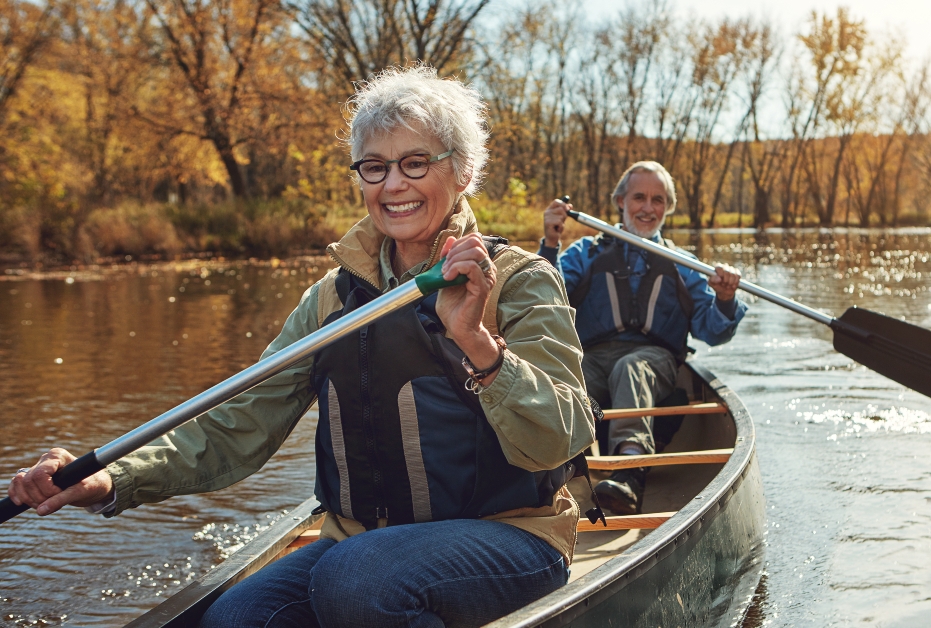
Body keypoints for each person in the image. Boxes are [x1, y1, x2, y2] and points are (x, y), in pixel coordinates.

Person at [7, 66, 595, 627]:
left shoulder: (519, 279)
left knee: (359, 583)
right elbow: (237, 421)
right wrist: (112, 478)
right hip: (359, 546)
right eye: (374, 166)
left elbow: (563, 435)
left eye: (416, 163)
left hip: (511, 535)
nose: (393, 185)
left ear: (463, 172)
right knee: (238, 618)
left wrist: (476, 342)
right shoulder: (330, 299)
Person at [538, 161, 746, 515]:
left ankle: (629, 472)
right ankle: (555, 473)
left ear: (668, 208)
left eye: (658, 200)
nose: (648, 208)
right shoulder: (585, 253)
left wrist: (726, 298)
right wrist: (551, 244)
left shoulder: (683, 264)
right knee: (567, 373)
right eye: (639, 197)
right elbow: (544, 301)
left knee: (630, 368)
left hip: (655, 362)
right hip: (593, 358)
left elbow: (712, 330)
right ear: (620, 201)